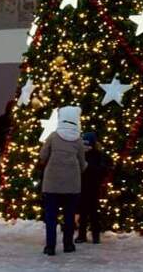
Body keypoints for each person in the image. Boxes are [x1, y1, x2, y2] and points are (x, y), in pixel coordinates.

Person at [39, 106, 86, 256]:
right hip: (72, 185)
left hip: (51, 183)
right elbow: (82, 163)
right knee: (69, 216)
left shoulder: (53, 136)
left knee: (51, 217)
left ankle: (50, 246)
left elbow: (42, 155)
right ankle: (68, 244)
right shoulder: (78, 140)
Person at [76, 132, 112, 245]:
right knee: (90, 212)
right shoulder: (96, 155)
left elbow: (104, 169)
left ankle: (86, 235)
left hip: (88, 186)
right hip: (90, 186)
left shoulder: (86, 154)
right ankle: (91, 236)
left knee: (88, 212)